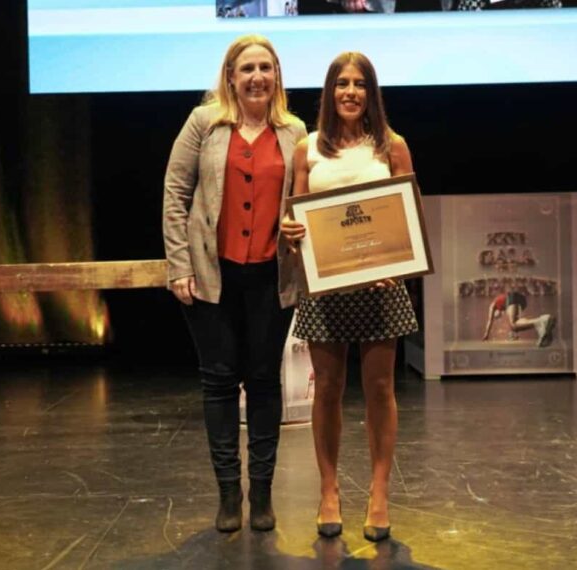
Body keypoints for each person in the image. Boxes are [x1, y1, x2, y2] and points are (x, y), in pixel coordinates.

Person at [163, 34, 306, 533]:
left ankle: (262, 494)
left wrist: (300, 226)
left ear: (277, 77)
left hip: (271, 276)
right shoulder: (205, 124)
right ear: (230, 77)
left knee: (265, 382)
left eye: (265, 68)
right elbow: (176, 193)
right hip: (211, 277)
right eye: (247, 69)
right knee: (220, 383)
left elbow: (304, 204)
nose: (257, 77)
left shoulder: (294, 132)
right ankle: (229, 495)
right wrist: (178, 265)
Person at [280, 52, 418, 542]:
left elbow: (410, 216)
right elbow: (294, 217)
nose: (351, 92)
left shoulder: (392, 146)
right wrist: (291, 230)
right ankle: (329, 490)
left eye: (360, 84)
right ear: (329, 91)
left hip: (382, 290)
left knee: (380, 389)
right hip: (326, 289)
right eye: (342, 83)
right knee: (329, 390)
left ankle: (380, 493)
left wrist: (397, 261)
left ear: (372, 92)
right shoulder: (307, 148)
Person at [482, 291, 556, 347]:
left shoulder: (493, 305)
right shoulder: (504, 306)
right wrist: (513, 334)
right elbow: (518, 320)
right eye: (498, 317)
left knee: (513, 324)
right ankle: (542, 328)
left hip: (512, 297)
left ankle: (541, 321)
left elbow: (490, 321)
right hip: (521, 299)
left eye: (495, 316)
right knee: (516, 324)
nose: (497, 316)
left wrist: (486, 334)